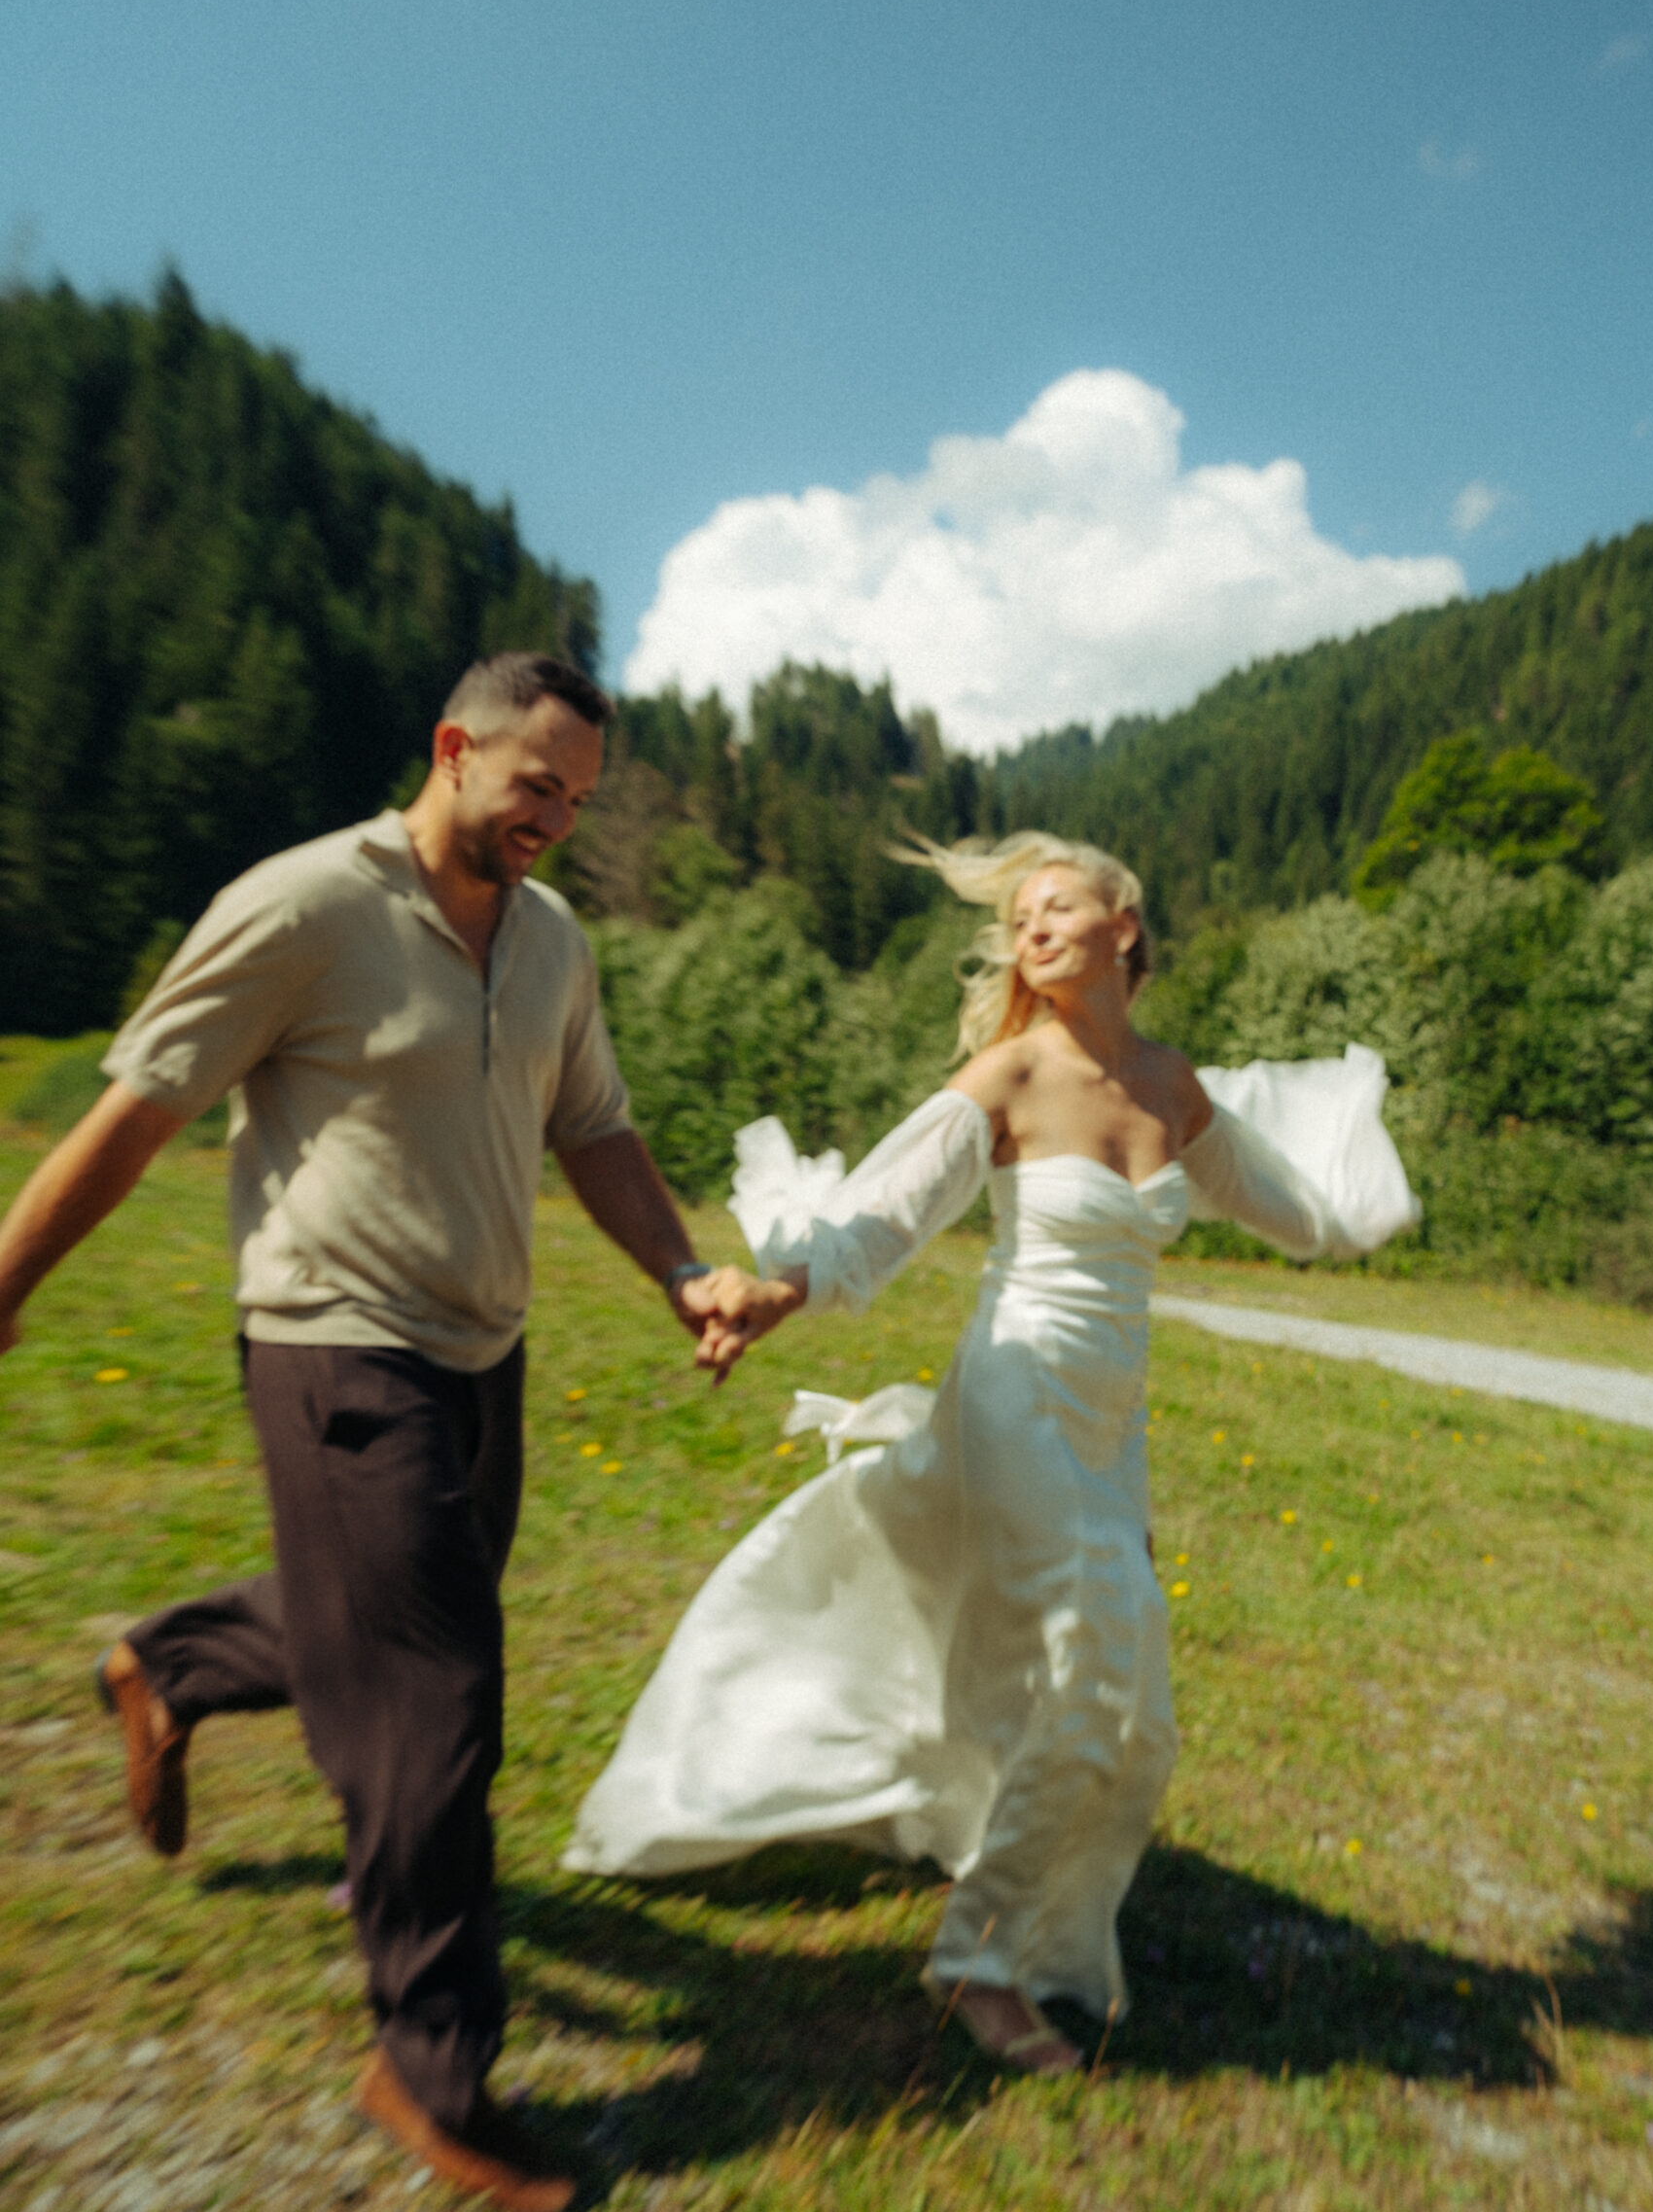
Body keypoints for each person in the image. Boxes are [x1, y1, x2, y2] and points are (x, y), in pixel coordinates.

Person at [0, 651, 770, 2212]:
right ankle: (427, 2071)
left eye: (579, 795)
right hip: (332, 1344)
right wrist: (5, 1280)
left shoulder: (551, 943)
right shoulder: (303, 906)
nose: (553, 815)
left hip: (482, 1352)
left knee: (388, 1628)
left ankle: (171, 1663)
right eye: (533, 781)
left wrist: (683, 1269)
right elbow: (139, 1106)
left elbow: (595, 1127)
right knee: (433, 1696)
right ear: (452, 749)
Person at [563, 831, 1419, 2076]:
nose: (1033, 927)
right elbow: (887, 1207)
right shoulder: (1011, 1073)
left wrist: (1357, 1211)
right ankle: (979, 1960)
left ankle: (1011, 1891)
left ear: (1125, 924)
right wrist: (778, 1291)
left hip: (1107, 1421)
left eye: (1057, 905)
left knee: (1135, 1706)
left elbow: (1282, 1207)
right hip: (1014, 1385)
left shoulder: (1171, 1088)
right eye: (1019, 916)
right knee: (1092, 1655)